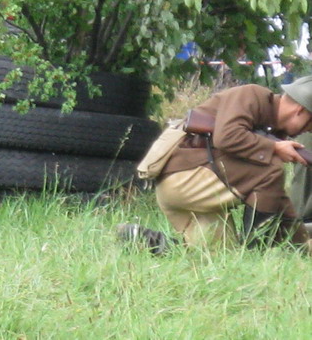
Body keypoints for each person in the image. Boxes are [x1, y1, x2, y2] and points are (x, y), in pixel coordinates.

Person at [119, 78, 312, 254]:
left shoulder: (271, 127)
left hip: (191, 187)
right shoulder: (252, 95)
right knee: (271, 168)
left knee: (219, 256)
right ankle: (255, 252)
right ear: (300, 110)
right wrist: (273, 148)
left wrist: (304, 245)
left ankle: (144, 240)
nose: (310, 130)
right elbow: (226, 136)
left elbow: (276, 199)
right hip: (186, 178)